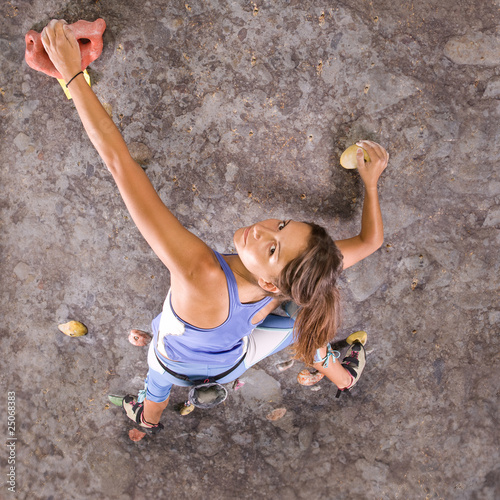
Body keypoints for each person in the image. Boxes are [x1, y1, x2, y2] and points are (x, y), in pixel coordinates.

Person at [41, 20, 389, 433]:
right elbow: (371, 241)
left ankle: (146, 420)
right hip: (235, 357)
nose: (260, 233)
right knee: (305, 320)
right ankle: (343, 377)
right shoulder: (304, 273)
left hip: (176, 358)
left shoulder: (202, 274)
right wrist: (370, 184)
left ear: (273, 284)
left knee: (157, 382)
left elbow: (120, 165)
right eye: (280, 224)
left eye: (272, 249)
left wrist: (73, 76)